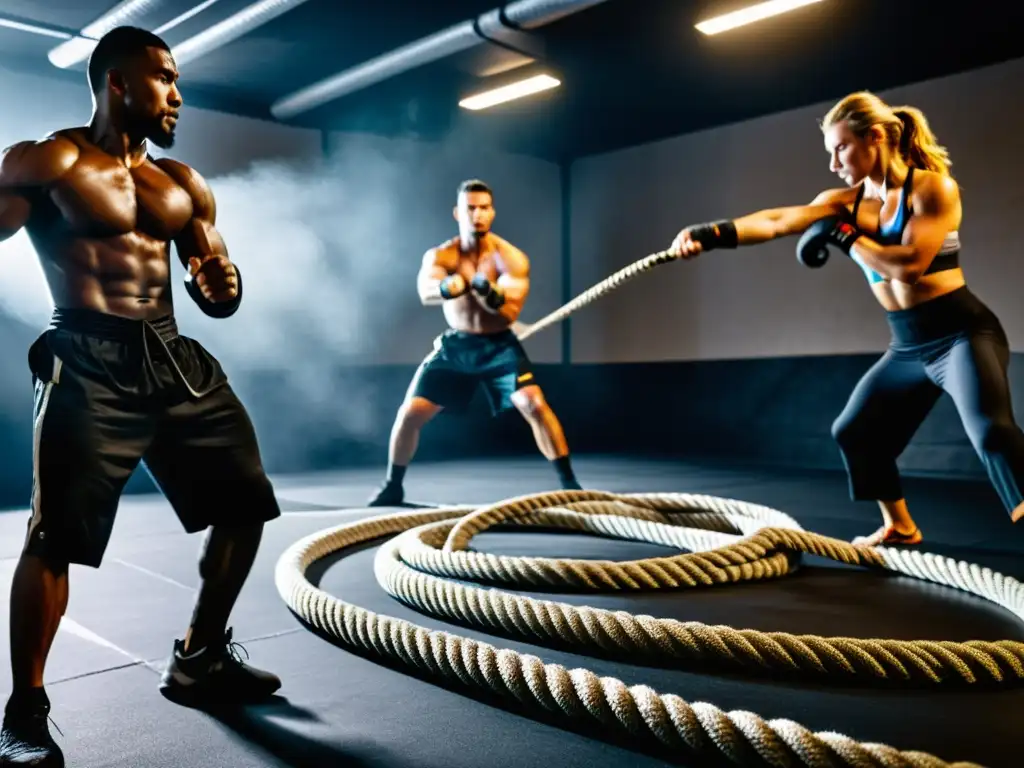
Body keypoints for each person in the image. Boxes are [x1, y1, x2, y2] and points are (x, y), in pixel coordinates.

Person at [0, 26, 282, 765]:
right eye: (164, 77)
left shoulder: (182, 183)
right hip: (86, 356)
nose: (177, 94)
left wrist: (225, 286)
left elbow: (215, 283)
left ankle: (199, 657)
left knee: (245, 504)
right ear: (116, 82)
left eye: (178, 79)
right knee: (52, 537)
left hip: (173, 357)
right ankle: (23, 714)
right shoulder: (49, 160)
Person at [667, 90, 1024, 547]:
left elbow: (910, 266)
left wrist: (844, 235)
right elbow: (778, 220)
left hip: (960, 333)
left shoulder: (932, 188)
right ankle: (900, 526)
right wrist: (710, 233)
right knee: (855, 432)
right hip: (908, 346)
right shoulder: (846, 202)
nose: (834, 163)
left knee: (992, 432)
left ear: (874, 137)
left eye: (840, 148)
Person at [367, 179, 582, 506]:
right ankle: (392, 486)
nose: (477, 214)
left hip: (498, 346)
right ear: (458, 212)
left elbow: (509, 310)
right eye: (471, 208)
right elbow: (426, 289)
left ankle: (570, 485)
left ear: (492, 212)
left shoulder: (510, 258)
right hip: (457, 347)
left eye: (483, 208)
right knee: (410, 413)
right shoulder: (444, 254)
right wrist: (446, 288)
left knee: (534, 404)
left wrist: (488, 292)